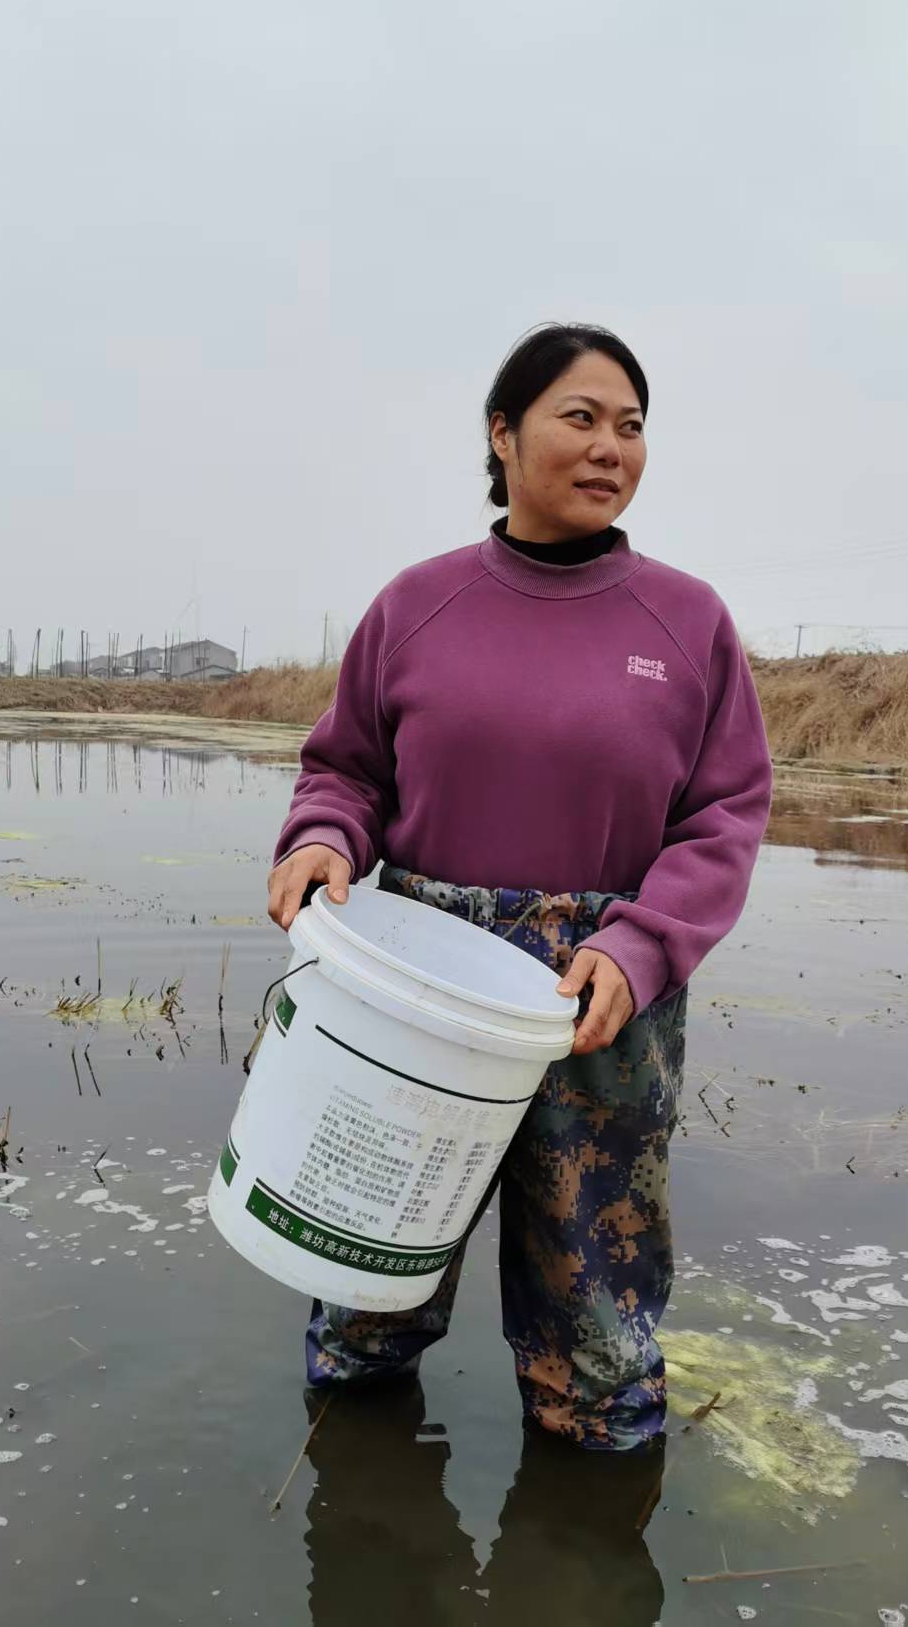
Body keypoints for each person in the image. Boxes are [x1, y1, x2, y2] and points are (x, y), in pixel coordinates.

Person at [268, 322, 771, 1454]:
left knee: (595, 1357)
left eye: (629, 426)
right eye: (578, 418)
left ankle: (590, 1509)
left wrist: (641, 944)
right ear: (502, 434)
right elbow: (346, 769)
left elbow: (724, 815)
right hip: (421, 991)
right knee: (365, 1296)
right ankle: (357, 1495)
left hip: (595, 1004)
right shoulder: (417, 604)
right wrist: (324, 839)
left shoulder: (688, 622)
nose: (609, 447)